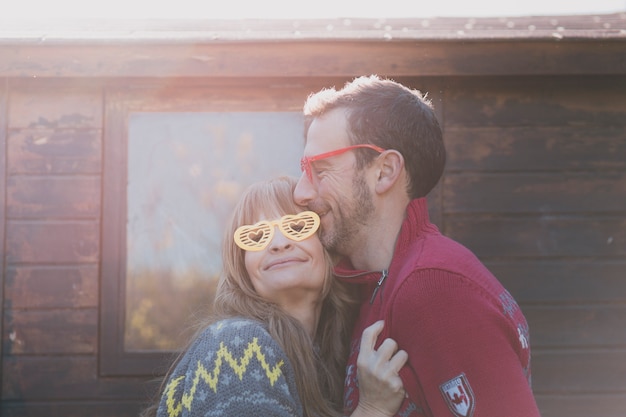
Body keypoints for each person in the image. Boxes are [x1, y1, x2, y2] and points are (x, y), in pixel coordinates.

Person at [293, 75, 541, 417]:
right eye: (304, 169)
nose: (301, 193)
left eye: (321, 169)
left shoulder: (435, 289)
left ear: (385, 171)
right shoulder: (376, 284)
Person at [143, 176, 408, 417]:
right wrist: (372, 410)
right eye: (256, 236)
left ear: (327, 247)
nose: (279, 243)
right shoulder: (237, 345)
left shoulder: (327, 359)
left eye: (298, 226)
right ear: (242, 266)